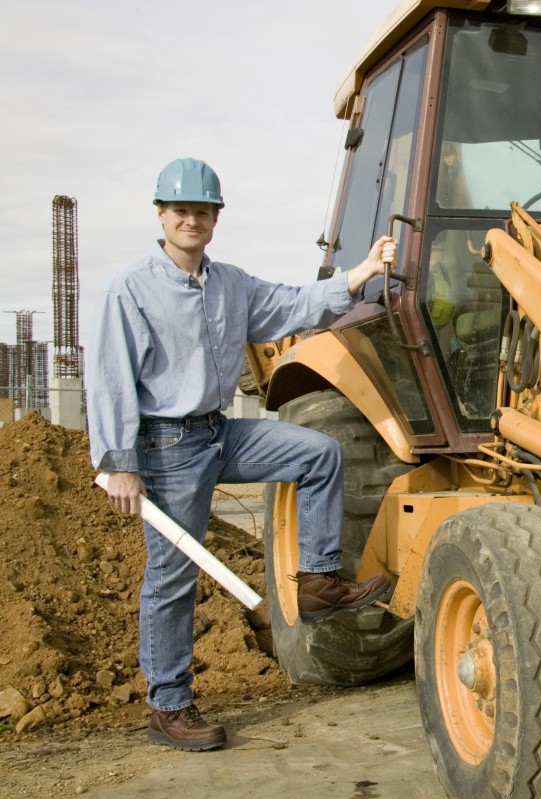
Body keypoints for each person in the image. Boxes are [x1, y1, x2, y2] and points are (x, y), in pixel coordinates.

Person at [87, 157, 397, 752]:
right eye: (182, 211)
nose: (192, 220)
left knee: (318, 454)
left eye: (202, 211)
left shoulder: (230, 283)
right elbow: (110, 378)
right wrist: (119, 461)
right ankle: (168, 706)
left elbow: (291, 306)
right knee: (173, 576)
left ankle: (316, 582)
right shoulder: (132, 288)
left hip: (218, 431)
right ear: (162, 215)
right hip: (165, 446)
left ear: (215, 218)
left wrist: (358, 273)